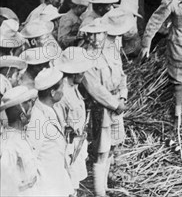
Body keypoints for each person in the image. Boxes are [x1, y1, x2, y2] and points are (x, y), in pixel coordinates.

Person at [80, 18, 127, 197]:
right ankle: (99, 192)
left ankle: (105, 186)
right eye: (91, 34)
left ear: (105, 33)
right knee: (102, 150)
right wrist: (115, 104)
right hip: (102, 108)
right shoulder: (86, 58)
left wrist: (122, 96)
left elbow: (122, 75)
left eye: (98, 33)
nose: (94, 38)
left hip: (117, 105)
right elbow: (95, 89)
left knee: (112, 148)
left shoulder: (112, 51)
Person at [27, 67, 73, 197]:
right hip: (46, 187)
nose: (63, 92)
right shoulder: (37, 119)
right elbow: (31, 157)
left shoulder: (53, 109)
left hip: (57, 181)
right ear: (52, 92)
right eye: (61, 88)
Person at [54, 47, 95, 191]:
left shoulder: (74, 87)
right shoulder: (63, 92)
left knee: (74, 181)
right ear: (74, 72)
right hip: (68, 145)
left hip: (77, 142)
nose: (84, 74)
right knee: (68, 184)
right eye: (82, 71)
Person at [0, 85, 40, 196]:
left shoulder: (20, 135)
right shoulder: (10, 143)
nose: (32, 106)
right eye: (29, 103)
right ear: (22, 115)